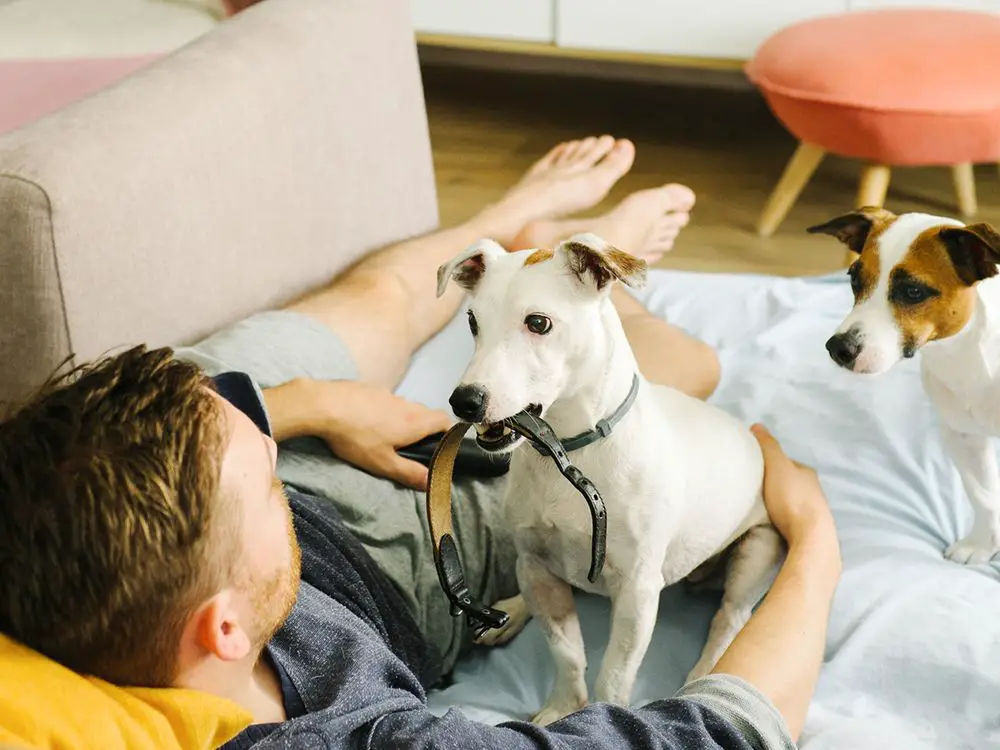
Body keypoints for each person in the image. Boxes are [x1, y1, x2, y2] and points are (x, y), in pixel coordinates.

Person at [0, 136, 841, 748]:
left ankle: (511, 226)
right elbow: (717, 733)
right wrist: (814, 545)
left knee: (364, 301)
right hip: (409, 519)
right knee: (680, 369)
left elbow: (229, 422)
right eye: (268, 484)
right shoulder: (359, 731)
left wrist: (303, 407)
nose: (269, 444)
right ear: (223, 634)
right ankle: (580, 287)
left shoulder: (53, 527)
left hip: (158, 446)